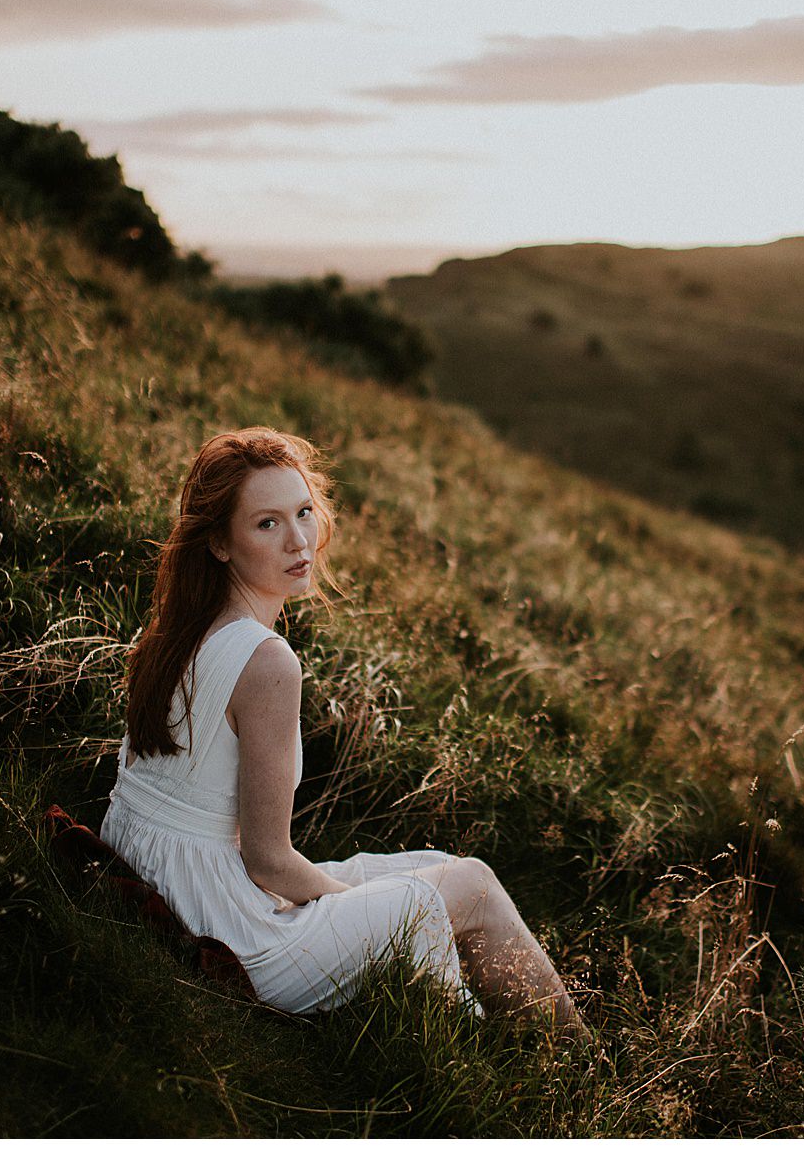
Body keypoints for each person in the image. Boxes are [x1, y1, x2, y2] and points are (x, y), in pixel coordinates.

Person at [102, 426, 586, 1036]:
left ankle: (517, 1042)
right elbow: (269, 862)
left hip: (168, 871)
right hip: (226, 921)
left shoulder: (177, 631)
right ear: (220, 543)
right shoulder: (266, 661)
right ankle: (573, 1066)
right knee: (468, 887)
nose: (300, 540)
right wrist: (336, 900)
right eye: (267, 524)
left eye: (304, 512)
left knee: (435, 869)